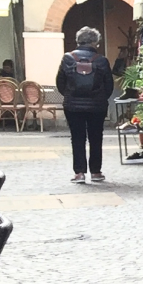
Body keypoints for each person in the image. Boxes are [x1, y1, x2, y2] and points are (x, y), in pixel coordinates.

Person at [56, 27, 114, 184]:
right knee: (96, 137)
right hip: (97, 106)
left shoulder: (67, 58)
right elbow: (109, 85)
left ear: (78, 40)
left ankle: (79, 173)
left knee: (77, 138)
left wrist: (70, 95)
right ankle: (96, 172)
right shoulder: (101, 60)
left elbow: (60, 82)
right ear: (95, 42)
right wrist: (100, 98)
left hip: (73, 105)